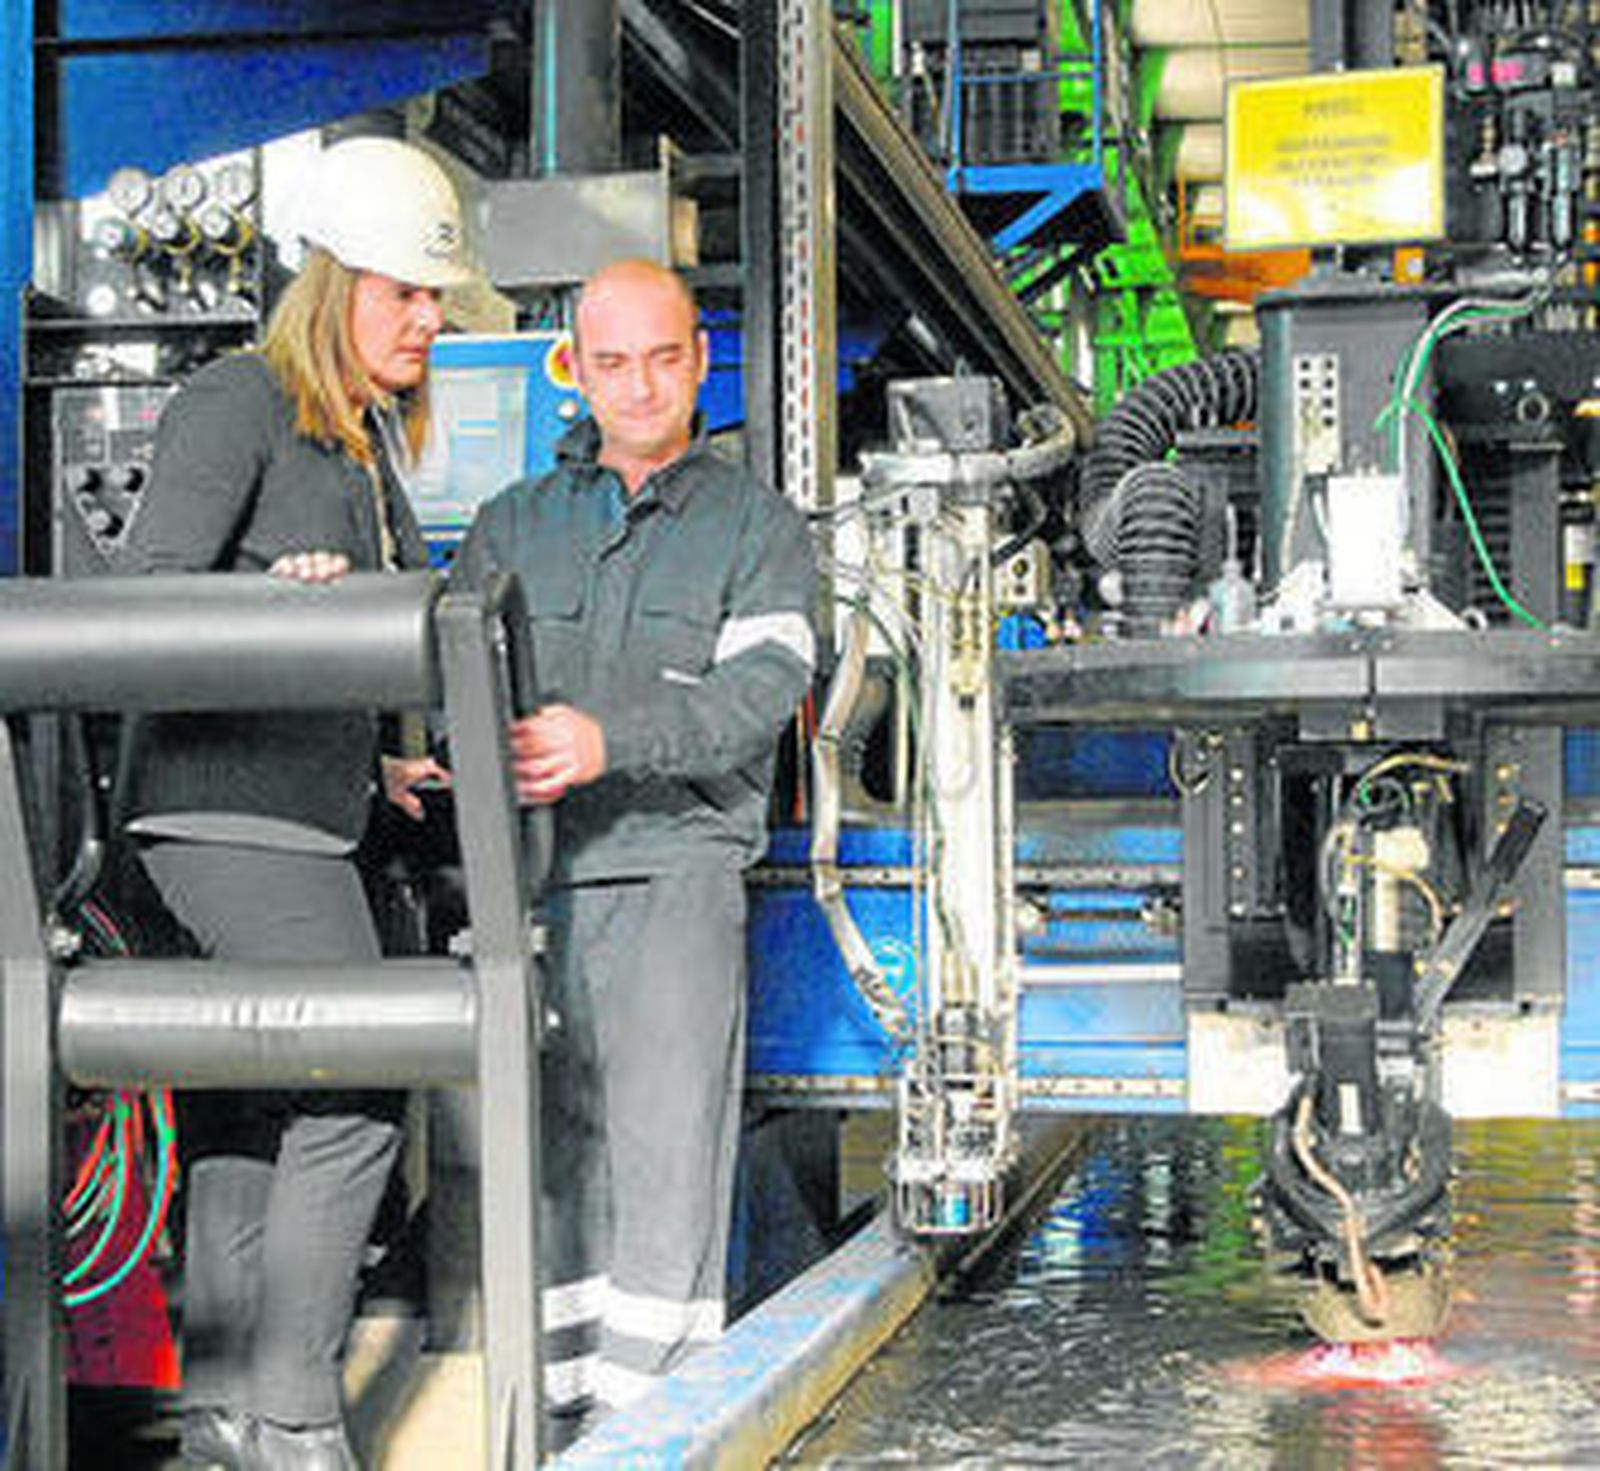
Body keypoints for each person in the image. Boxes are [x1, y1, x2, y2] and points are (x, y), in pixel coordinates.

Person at [113, 136, 469, 1471]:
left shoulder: (358, 439)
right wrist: (265, 602)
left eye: (434, 298)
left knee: (257, 1106)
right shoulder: (241, 400)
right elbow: (148, 598)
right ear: (331, 283)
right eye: (405, 294)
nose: (427, 319)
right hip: (225, 819)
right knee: (363, 1075)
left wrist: (374, 763)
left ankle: (221, 1411)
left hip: (303, 810)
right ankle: (294, 1413)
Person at [452, 258, 818, 1425]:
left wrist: (607, 739)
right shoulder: (512, 524)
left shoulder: (758, 528)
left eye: (664, 358)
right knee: (551, 1171)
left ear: (701, 361)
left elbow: (757, 696)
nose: (641, 386)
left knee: (666, 1169)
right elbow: (454, 684)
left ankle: (655, 1431)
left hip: (675, 875)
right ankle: (561, 1425)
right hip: (535, 883)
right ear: (575, 368)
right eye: (612, 362)